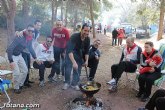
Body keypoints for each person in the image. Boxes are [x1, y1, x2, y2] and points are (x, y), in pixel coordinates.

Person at [6, 25, 37, 94]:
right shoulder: (20, 37)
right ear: (26, 30)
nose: (30, 32)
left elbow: (30, 48)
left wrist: (35, 57)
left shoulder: (29, 38)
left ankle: (19, 84)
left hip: (19, 55)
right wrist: (11, 61)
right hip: (12, 55)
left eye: (32, 31)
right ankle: (16, 88)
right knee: (16, 72)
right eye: (29, 30)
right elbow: (10, 49)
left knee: (25, 71)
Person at [63, 23, 90, 91]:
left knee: (78, 70)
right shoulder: (74, 36)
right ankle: (67, 82)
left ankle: (74, 84)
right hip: (70, 55)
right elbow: (69, 50)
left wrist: (86, 61)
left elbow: (87, 51)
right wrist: (74, 62)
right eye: (85, 30)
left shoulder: (87, 39)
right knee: (68, 69)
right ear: (81, 30)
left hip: (78, 55)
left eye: (88, 31)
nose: (86, 32)